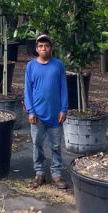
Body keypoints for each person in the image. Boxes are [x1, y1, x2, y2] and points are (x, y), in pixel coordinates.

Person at [24, 33, 69, 189]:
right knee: (37, 145)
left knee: (56, 146)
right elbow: (27, 91)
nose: (44, 48)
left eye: (47, 46)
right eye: (41, 46)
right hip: (37, 115)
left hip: (56, 114)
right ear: (37, 49)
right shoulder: (31, 66)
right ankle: (39, 173)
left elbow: (63, 88)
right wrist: (30, 110)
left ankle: (56, 174)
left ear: (51, 48)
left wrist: (64, 109)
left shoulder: (58, 65)